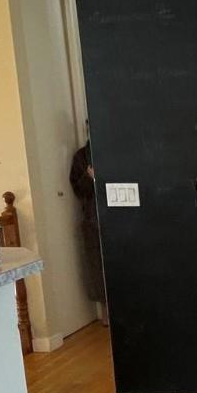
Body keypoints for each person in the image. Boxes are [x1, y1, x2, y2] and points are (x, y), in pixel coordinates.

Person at [69, 136, 107, 318]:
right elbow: (78, 190)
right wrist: (89, 177)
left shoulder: (115, 150)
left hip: (119, 216)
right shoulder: (82, 157)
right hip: (93, 219)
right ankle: (106, 313)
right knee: (97, 267)